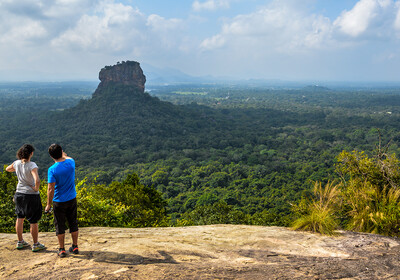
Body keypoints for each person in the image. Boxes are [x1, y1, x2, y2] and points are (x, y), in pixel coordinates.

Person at [6, 144, 46, 252]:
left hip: (19, 193)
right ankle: (36, 244)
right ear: (31, 154)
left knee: (20, 217)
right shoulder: (32, 165)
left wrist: (18, 170)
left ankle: (20, 241)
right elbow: (37, 180)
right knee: (33, 220)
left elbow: (7, 169)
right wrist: (35, 188)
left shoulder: (17, 163)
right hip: (31, 195)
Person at [45, 144, 79, 258]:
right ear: (62, 152)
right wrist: (64, 155)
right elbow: (68, 157)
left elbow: (51, 188)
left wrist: (48, 204)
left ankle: (62, 249)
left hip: (59, 201)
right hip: (72, 198)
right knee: (73, 222)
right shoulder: (71, 163)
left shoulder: (52, 170)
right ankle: (75, 246)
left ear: (51, 156)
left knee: (60, 225)